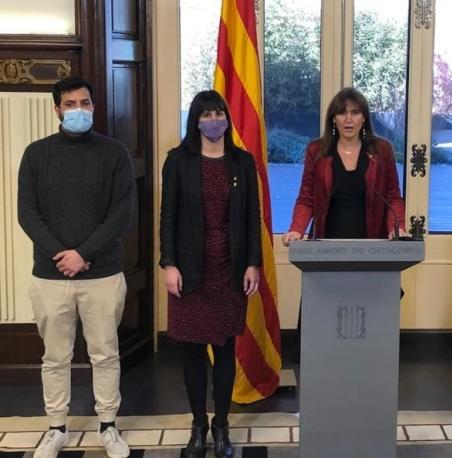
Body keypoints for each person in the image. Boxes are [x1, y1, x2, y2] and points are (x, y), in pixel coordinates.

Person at [17, 77, 134, 458]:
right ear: (57, 110)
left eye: (86, 103)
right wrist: (62, 255)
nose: (79, 110)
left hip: (103, 274)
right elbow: (27, 214)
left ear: (94, 107)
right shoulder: (36, 154)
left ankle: (108, 426)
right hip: (50, 276)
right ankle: (55, 427)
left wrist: (83, 253)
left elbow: (120, 213)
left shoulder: (114, 154)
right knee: (55, 357)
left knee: (105, 353)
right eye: (71, 104)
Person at [159, 90, 261, 458]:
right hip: (189, 271)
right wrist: (168, 263)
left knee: (224, 348)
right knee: (191, 353)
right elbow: (167, 216)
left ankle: (221, 426)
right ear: (195, 120)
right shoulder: (178, 161)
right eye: (206, 114)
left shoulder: (242, 162)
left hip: (229, 269)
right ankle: (198, 425)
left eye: (218, 113)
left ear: (227, 118)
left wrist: (253, 263)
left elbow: (253, 217)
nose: (213, 120)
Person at [281, 87, 406, 246]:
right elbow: (306, 199)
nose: (348, 119)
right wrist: (296, 229)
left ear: (364, 118)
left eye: (355, 113)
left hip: (372, 245)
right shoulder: (317, 151)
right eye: (342, 113)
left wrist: (397, 228)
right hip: (327, 244)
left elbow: (393, 198)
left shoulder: (382, 150)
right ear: (333, 118)